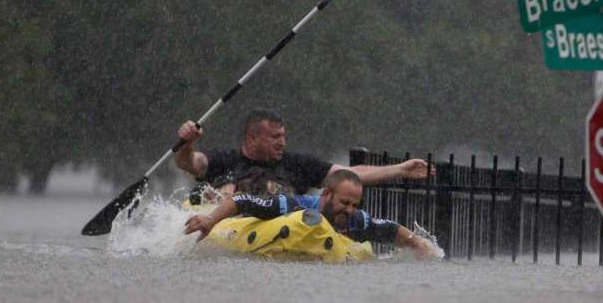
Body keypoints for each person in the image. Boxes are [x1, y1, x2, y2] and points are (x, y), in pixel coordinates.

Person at [175, 108, 432, 198]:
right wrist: (187, 142)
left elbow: (348, 174)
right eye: (275, 137)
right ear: (252, 138)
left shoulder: (297, 164)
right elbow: (189, 163)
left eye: (284, 136)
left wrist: (399, 169)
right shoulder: (225, 160)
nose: (283, 143)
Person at [183, 169, 440, 259]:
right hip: (252, 228)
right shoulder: (292, 204)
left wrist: (418, 243)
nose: (349, 209)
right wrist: (211, 220)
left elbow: (390, 228)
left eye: (355, 204)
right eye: (344, 202)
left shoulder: (353, 218)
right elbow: (242, 200)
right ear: (326, 195)